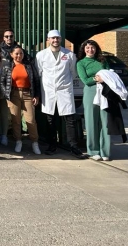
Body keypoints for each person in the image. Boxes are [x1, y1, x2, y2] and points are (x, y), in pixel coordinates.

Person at [35, 30, 87, 159]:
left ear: (61, 39)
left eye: (57, 38)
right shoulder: (41, 55)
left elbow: (73, 72)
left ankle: (73, 146)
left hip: (65, 91)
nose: (55, 40)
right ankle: (52, 145)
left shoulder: (69, 54)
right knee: (50, 120)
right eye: (52, 38)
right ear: (48, 40)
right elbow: (39, 72)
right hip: (48, 91)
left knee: (69, 119)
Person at [0, 45, 41, 154]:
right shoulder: (8, 66)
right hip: (14, 93)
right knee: (16, 120)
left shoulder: (29, 65)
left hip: (28, 93)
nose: (19, 55)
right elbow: (2, 81)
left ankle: (34, 142)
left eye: (21, 53)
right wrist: (6, 93)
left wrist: (36, 95)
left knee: (31, 120)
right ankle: (18, 140)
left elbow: (36, 80)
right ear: (11, 55)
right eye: (16, 53)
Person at [77, 39, 110, 161]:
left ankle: (105, 151)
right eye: (87, 48)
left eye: (92, 48)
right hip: (91, 92)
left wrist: (104, 79)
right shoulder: (81, 63)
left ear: (96, 49)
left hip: (105, 92)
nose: (90, 50)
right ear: (84, 49)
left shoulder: (103, 61)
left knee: (105, 122)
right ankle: (93, 150)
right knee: (91, 121)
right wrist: (97, 79)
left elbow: (109, 75)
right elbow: (85, 80)